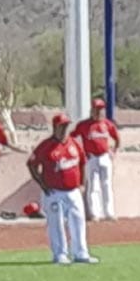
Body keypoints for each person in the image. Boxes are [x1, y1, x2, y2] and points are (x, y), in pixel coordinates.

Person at [27, 113, 96, 265]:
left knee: (78, 221)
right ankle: (60, 254)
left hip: (73, 191)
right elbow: (31, 164)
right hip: (54, 191)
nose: (64, 129)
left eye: (66, 126)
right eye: (62, 126)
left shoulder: (74, 144)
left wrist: (82, 184)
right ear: (55, 127)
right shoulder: (46, 146)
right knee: (56, 224)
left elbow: (82, 162)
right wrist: (42, 184)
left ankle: (81, 253)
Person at [71, 98, 120, 221]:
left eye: (101, 109)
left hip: (104, 156)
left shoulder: (107, 124)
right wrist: (79, 152)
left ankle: (109, 213)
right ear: (91, 110)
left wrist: (114, 151)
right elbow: (72, 137)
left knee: (107, 184)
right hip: (91, 157)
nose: (99, 112)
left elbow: (117, 138)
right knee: (93, 186)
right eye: (96, 109)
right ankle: (95, 213)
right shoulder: (83, 125)